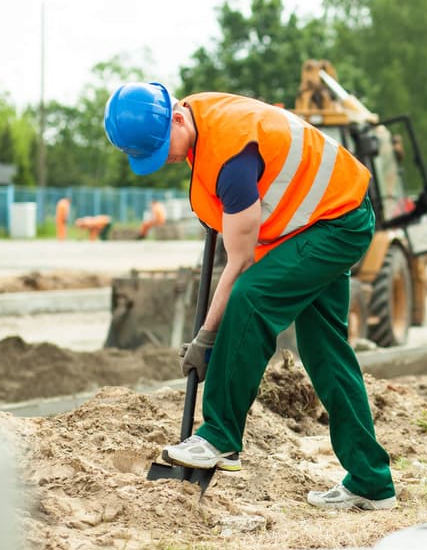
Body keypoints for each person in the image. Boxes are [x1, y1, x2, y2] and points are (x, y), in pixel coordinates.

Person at [103, 81, 396, 511]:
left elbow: (239, 263)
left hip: (337, 223)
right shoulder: (199, 120)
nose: (164, 157)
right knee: (326, 351)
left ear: (177, 117)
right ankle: (372, 481)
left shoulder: (231, 153)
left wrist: (207, 338)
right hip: (320, 217)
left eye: (164, 145)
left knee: (251, 299)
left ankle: (219, 436)